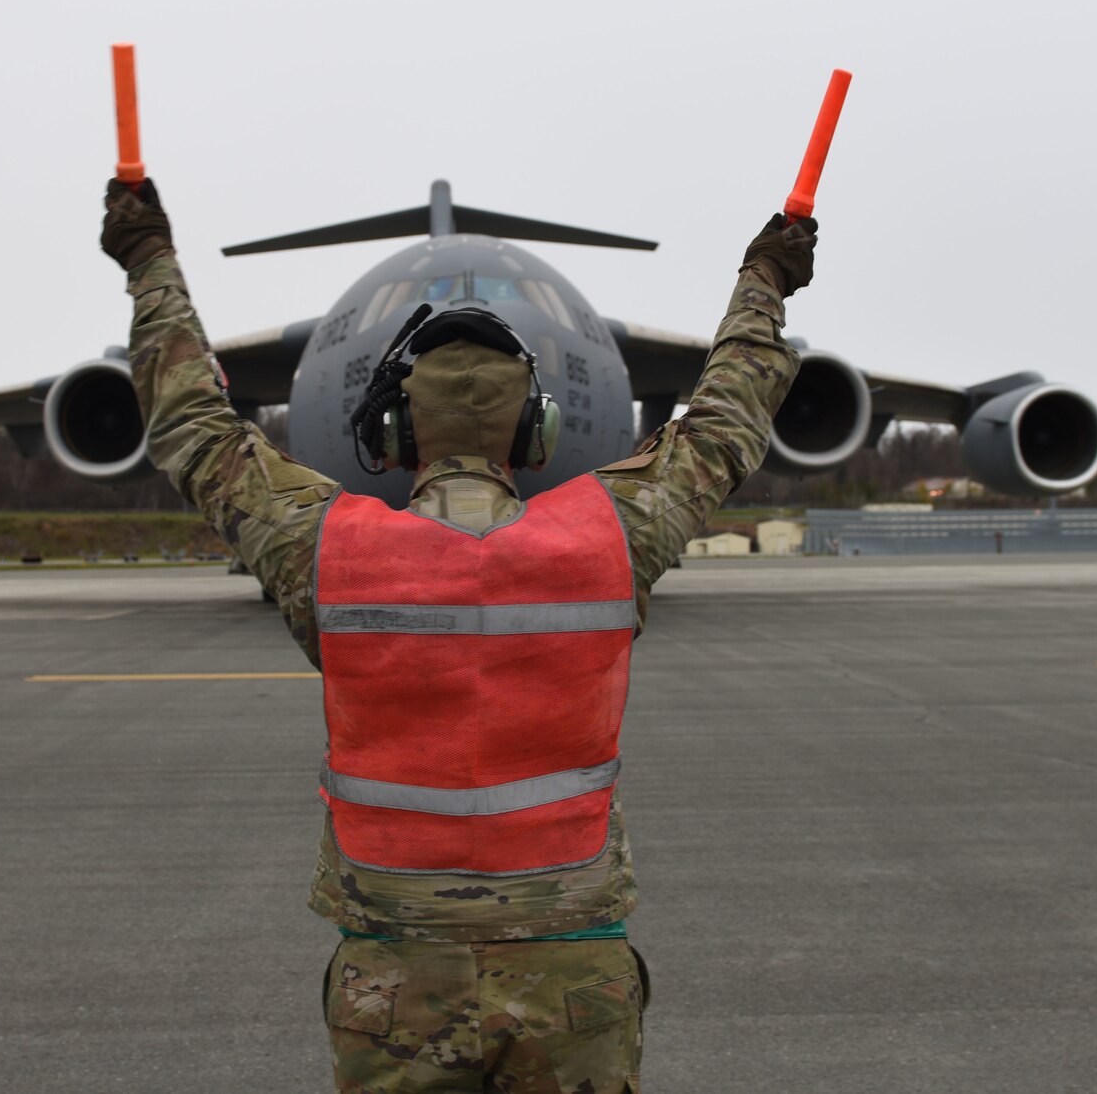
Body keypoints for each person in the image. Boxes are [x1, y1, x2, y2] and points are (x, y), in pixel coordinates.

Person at [102, 178, 816, 1093]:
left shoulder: (329, 552)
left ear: (397, 432)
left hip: (395, 981)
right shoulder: (608, 540)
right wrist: (766, 280)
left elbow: (194, 427)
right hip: (571, 975)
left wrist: (148, 259)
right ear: (536, 430)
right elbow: (726, 419)